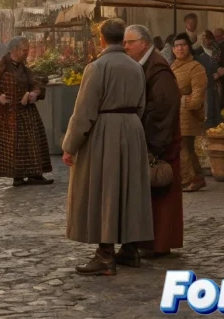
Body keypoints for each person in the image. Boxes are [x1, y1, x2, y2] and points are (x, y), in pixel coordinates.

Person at [63, 19, 153, 275]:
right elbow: (142, 104)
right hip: (132, 129)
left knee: (106, 189)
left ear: (101, 39)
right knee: (129, 188)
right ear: (121, 39)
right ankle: (130, 249)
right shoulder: (136, 67)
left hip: (105, 130)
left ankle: (105, 255)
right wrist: (130, 125)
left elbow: (84, 110)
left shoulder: (97, 67)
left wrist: (70, 145)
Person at [124, 24, 183, 258]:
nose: (126, 46)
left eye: (130, 42)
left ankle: (160, 243)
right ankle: (150, 242)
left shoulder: (158, 69)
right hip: (153, 138)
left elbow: (163, 108)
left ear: (144, 43)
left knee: (162, 193)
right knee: (152, 195)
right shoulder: (145, 65)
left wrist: (154, 145)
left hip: (161, 141)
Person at [0, 35, 54, 188]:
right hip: (9, 113)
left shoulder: (23, 67)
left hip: (27, 111)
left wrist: (35, 93)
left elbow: (35, 83)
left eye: (27, 50)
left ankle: (35, 175)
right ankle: (18, 176)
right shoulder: (2, 65)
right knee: (15, 145)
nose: (27, 53)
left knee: (32, 142)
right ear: (14, 50)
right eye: (24, 50)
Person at [171, 33, 207, 192]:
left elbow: (198, 94)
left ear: (189, 47)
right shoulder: (173, 66)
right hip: (175, 113)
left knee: (184, 147)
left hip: (188, 114)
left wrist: (184, 101)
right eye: (177, 46)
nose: (180, 48)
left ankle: (189, 179)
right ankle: (197, 176)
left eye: (183, 45)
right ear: (173, 49)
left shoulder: (196, 68)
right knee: (186, 148)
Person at [195, 36, 222, 130]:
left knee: (214, 102)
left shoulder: (215, 52)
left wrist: (218, 73)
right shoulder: (198, 52)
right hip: (205, 81)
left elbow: (217, 66)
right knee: (207, 103)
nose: (206, 40)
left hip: (213, 82)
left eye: (207, 38)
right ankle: (208, 123)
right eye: (203, 38)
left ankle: (214, 122)